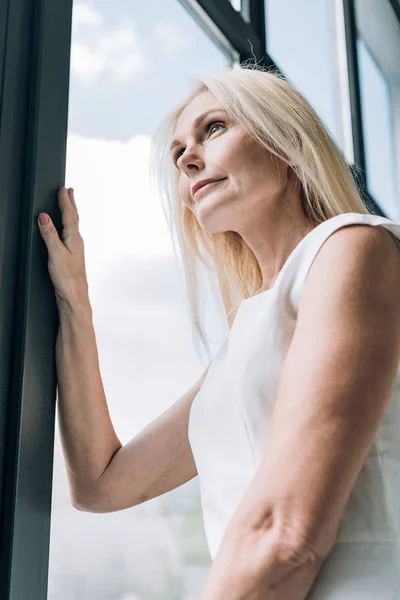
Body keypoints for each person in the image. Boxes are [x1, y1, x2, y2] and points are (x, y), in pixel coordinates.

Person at [37, 63, 400, 599]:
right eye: (178, 151)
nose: (186, 157)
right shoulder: (248, 339)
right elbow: (102, 482)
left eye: (213, 128)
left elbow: (285, 534)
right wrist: (75, 303)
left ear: (288, 143)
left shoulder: (353, 248)